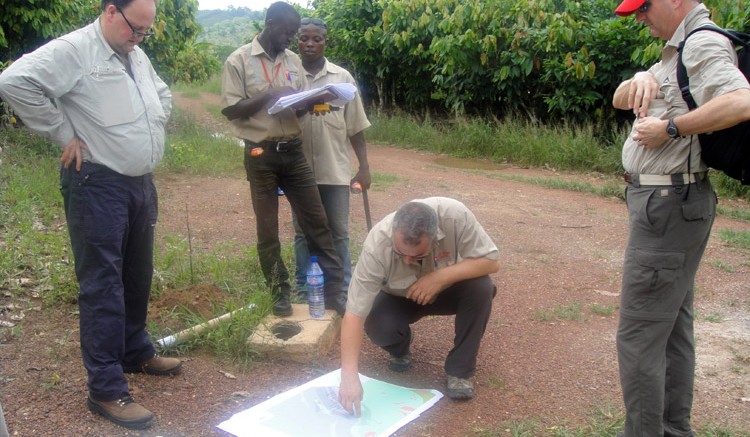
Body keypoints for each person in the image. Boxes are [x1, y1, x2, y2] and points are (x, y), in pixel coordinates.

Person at [0, 0, 181, 430]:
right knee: (103, 283)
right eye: (135, 28)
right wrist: (63, 132)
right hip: (96, 183)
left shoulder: (134, 51)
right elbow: (13, 81)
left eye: (146, 32)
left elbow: (160, 91)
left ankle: (134, 350)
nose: (139, 38)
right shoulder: (74, 50)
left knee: (137, 274)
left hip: (139, 183)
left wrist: (153, 121)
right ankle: (105, 387)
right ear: (110, 12)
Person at [612, 0, 750, 435]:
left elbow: (742, 101)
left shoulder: (701, 42)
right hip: (668, 203)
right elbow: (619, 99)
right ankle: (673, 430)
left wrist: (673, 128)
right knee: (671, 329)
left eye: (644, 6)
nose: (638, 16)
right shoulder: (675, 49)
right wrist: (639, 77)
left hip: (668, 203)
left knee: (638, 336)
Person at [220, 2, 346, 318]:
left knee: (318, 224)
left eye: (294, 34)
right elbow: (231, 110)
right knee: (268, 230)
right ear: (270, 23)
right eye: (287, 32)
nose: (291, 40)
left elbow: (296, 106)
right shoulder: (239, 60)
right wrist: (269, 94)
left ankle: (334, 295)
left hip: (293, 150)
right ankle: (280, 295)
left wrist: (313, 101)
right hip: (260, 153)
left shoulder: (292, 61)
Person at [337, 197, 500, 415]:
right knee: (378, 325)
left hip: (447, 290)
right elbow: (354, 314)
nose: (407, 261)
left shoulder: (455, 216)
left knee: (482, 288)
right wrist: (348, 377)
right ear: (394, 231)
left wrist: (439, 277)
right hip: (399, 297)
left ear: (435, 237)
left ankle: (460, 371)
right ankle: (401, 346)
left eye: (418, 255)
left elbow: (491, 261)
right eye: (400, 253)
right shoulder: (377, 244)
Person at [293, 17, 372, 297]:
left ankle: (343, 289)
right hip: (297, 172)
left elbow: (355, 126)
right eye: (304, 38)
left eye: (317, 38)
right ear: (297, 40)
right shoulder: (289, 76)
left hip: (335, 170)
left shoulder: (342, 78)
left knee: (338, 231)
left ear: (326, 41)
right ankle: (304, 289)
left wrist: (364, 167)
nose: (310, 44)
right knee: (303, 233)